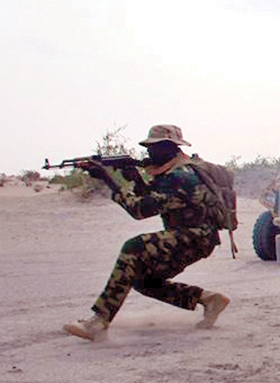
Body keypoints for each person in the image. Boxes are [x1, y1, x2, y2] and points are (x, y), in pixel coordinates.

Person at [63, 125, 230, 341]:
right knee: (143, 280)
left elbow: (140, 210)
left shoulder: (181, 176)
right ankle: (209, 299)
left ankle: (99, 321)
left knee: (134, 247)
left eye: (154, 148)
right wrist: (136, 180)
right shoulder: (176, 171)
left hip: (194, 237)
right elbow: (158, 199)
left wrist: (109, 180)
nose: (149, 153)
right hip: (195, 238)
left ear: (170, 148)